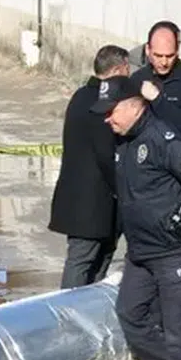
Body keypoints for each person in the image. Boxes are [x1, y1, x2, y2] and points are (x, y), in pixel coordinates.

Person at [94, 75, 181, 360]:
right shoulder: (123, 138)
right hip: (141, 251)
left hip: (174, 251)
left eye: (112, 111)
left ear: (134, 106)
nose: (107, 119)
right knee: (130, 313)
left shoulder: (162, 138)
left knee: (178, 333)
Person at [49, 45, 130, 288]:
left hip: (89, 202)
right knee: (81, 262)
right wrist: (124, 189)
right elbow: (106, 154)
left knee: (98, 261)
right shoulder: (98, 103)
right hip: (90, 203)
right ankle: (66, 315)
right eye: (127, 69)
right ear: (117, 70)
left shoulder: (81, 94)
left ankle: (86, 310)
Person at [132, 21, 181, 134]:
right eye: (158, 56)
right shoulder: (138, 78)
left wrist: (157, 100)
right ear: (147, 50)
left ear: (177, 51)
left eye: (169, 56)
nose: (164, 62)